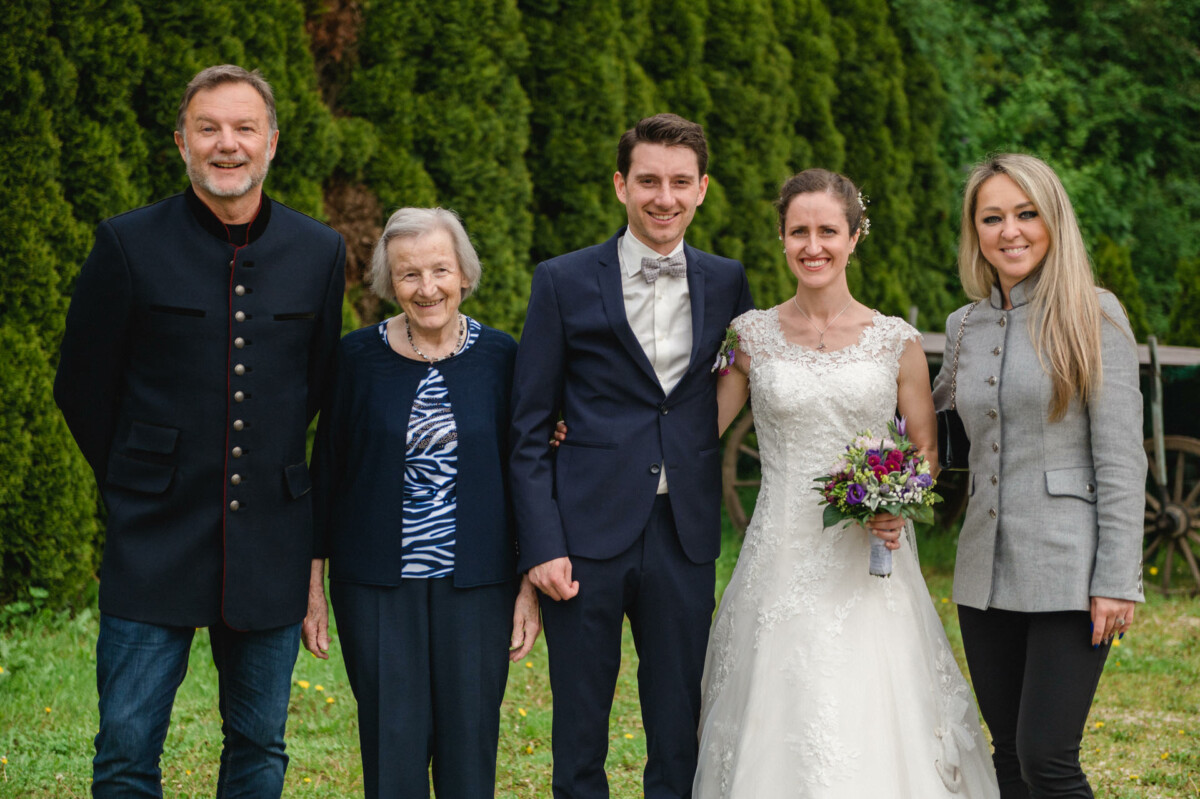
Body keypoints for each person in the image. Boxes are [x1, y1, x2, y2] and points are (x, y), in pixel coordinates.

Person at [54, 65, 346, 797]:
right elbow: (82, 384)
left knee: (260, 744)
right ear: (181, 142)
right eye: (208, 128)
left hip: (271, 540)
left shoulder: (319, 251)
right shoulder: (127, 243)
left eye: (244, 128)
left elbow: (317, 387)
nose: (227, 144)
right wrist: (137, 475)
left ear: (271, 143)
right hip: (153, 536)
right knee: (126, 747)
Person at [692, 169, 999, 797]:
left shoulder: (896, 341)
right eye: (798, 231)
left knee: (875, 706)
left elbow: (925, 451)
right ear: (781, 238)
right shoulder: (748, 336)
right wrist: (583, 428)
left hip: (869, 558)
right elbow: (695, 431)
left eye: (828, 231)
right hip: (779, 556)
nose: (813, 246)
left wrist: (898, 503)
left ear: (855, 237)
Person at [509, 113, 753, 798]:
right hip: (584, 534)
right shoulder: (561, 280)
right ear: (621, 185)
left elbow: (741, 379)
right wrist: (541, 545)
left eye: (679, 182)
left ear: (702, 188)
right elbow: (528, 428)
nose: (663, 198)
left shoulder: (728, 281)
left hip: (684, 531)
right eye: (648, 181)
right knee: (579, 727)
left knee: (679, 726)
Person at [305, 207, 540, 798]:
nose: (427, 288)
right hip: (376, 588)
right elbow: (326, 471)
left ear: (464, 274)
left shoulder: (503, 358)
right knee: (393, 753)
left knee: (469, 754)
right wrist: (312, 586)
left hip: (479, 586)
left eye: (440, 270)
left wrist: (529, 585)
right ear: (390, 281)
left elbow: (529, 473)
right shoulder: (355, 358)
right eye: (409, 274)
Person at [932, 153, 1145, 798]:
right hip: (983, 572)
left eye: (1026, 214)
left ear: (1053, 220)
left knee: (1047, 758)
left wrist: (1117, 579)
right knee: (1007, 759)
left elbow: (1121, 458)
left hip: (1069, 569)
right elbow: (929, 430)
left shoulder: (1094, 314)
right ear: (975, 230)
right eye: (992, 217)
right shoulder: (963, 326)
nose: (1010, 231)